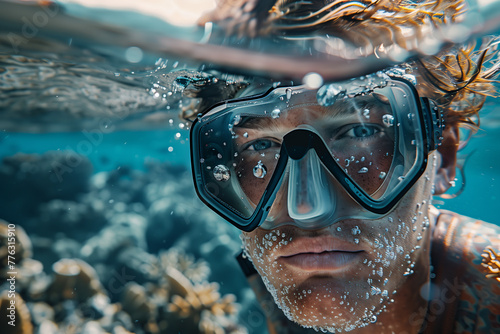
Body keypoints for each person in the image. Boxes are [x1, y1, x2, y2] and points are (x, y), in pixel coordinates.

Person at [185, 1, 500, 333]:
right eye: (261, 145)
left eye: (360, 131)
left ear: (443, 160)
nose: (307, 209)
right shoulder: (286, 275)